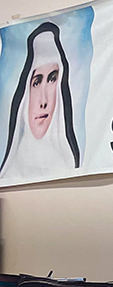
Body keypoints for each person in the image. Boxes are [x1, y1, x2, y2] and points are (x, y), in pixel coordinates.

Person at [0, 22, 80, 180]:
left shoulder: (69, 166)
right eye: (36, 82)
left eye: (52, 79)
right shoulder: (9, 174)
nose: (43, 101)